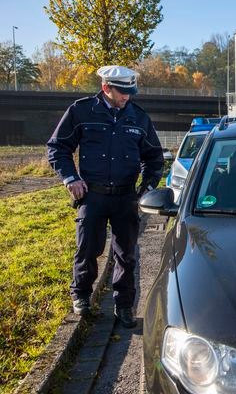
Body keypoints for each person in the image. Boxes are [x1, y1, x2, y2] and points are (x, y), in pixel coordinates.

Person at [47, 65, 164, 328]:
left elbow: (154, 157)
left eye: (130, 92)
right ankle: (82, 296)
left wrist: (147, 186)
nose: (127, 97)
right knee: (88, 248)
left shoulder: (138, 117)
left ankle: (124, 305)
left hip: (126, 197)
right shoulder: (81, 111)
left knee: (127, 254)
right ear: (105, 88)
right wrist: (70, 178)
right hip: (93, 195)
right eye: (122, 92)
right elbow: (57, 147)